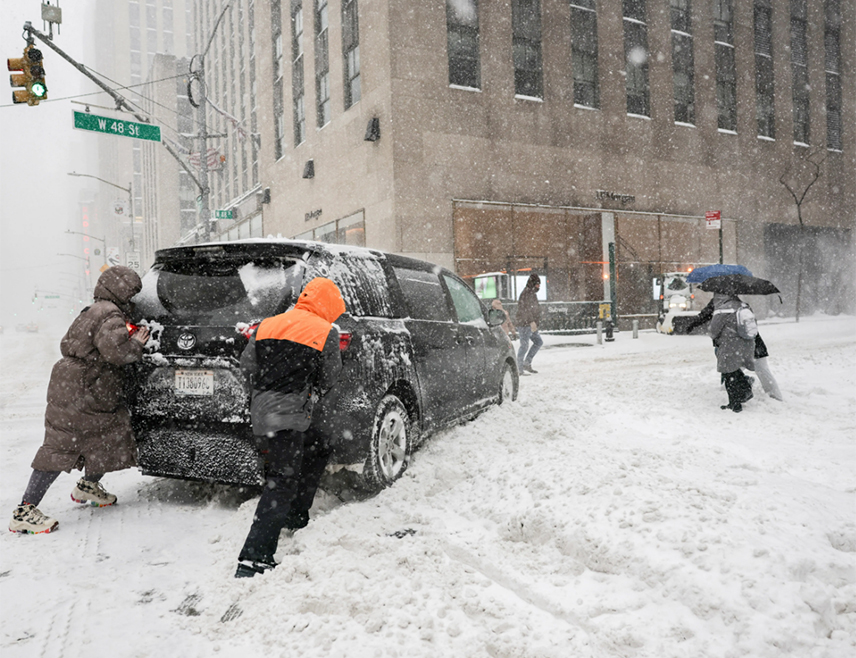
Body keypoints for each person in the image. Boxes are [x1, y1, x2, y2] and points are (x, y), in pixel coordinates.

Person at [9, 266, 150, 535]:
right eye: (131, 292)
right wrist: (137, 343)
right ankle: (25, 511)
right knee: (62, 447)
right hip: (85, 389)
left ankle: (88, 486)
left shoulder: (97, 309)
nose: (132, 298)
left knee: (112, 436)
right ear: (120, 290)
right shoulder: (109, 313)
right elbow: (116, 352)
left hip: (83, 385)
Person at [235, 277, 345, 578]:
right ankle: (253, 558)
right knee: (280, 481)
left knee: (318, 446)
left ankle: (295, 515)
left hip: (262, 411)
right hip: (290, 414)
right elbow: (328, 378)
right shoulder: (325, 332)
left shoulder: (269, 324)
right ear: (329, 305)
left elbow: (247, 366)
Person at [687, 298, 782, 401]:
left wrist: (692, 324)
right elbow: (752, 324)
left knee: (749, 369)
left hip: (737, 347)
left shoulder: (721, 306)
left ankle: (772, 396)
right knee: (756, 369)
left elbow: (712, 327)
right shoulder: (742, 304)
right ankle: (749, 387)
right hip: (751, 344)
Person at [707, 293, 755, 412]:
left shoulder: (722, 310)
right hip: (746, 344)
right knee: (734, 371)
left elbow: (713, 331)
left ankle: (735, 403)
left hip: (730, 345)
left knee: (729, 374)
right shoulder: (744, 306)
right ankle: (745, 388)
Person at [515, 274, 543, 374]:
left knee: (538, 342)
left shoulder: (531, 293)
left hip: (530, 324)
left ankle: (526, 363)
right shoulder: (526, 293)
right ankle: (519, 368)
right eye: (538, 284)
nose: (539, 287)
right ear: (533, 284)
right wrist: (531, 321)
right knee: (524, 346)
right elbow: (525, 309)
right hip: (525, 324)